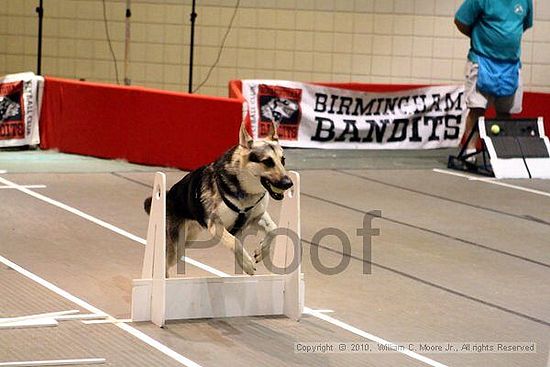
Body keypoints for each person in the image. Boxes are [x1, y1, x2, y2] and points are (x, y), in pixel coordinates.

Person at [454, 0, 533, 160]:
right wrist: (481, 38)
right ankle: (469, 151)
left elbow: (523, 25)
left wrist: (502, 39)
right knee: (477, 108)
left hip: (510, 65)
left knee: (505, 111)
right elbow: (461, 21)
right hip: (481, 60)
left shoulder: (526, 1)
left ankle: (500, 152)